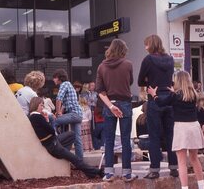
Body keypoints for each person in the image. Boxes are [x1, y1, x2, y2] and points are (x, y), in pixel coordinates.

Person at [147, 71, 204, 189]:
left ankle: (184, 187)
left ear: (177, 81)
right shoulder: (194, 94)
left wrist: (154, 94)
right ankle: (201, 186)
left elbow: (161, 103)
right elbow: (182, 98)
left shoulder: (175, 96)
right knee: (195, 159)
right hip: (194, 126)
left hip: (181, 127)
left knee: (182, 161)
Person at [28, 97, 103, 179]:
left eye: (43, 106)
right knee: (75, 158)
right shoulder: (37, 116)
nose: (42, 107)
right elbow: (51, 130)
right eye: (41, 105)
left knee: (71, 134)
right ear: (35, 105)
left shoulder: (32, 116)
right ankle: (95, 172)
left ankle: (65, 153)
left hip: (53, 142)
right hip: (53, 145)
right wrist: (47, 120)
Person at [96, 38, 137, 182]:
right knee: (126, 139)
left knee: (109, 139)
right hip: (125, 103)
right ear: (123, 50)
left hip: (109, 104)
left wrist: (112, 106)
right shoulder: (128, 64)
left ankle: (109, 173)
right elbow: (130, 81)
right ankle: (127, 173)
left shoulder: (101, 66)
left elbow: (100, 91)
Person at [137, 34, 178, 179]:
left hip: (154, 98)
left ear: (151, 45)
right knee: (170, 135)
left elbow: (140, 80)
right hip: (169, 98)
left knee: (154, 135)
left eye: (146, 44)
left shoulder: (148, 59)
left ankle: (155, 169)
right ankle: (174, 167)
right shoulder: (170, 59)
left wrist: (149, 80)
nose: (145, 47)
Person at [53, 69, 84, 160]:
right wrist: (60, 111)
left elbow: (59, 99)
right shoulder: (69, 85)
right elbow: (66, 104)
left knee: (54, 121)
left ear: (59, 77)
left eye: (54, 78)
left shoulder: (64, 84)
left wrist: (58, 113)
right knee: (77, 138)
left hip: (73, 114)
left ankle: (54, 144)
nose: (53, 80)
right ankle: (79, 161)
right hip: (78, 114)